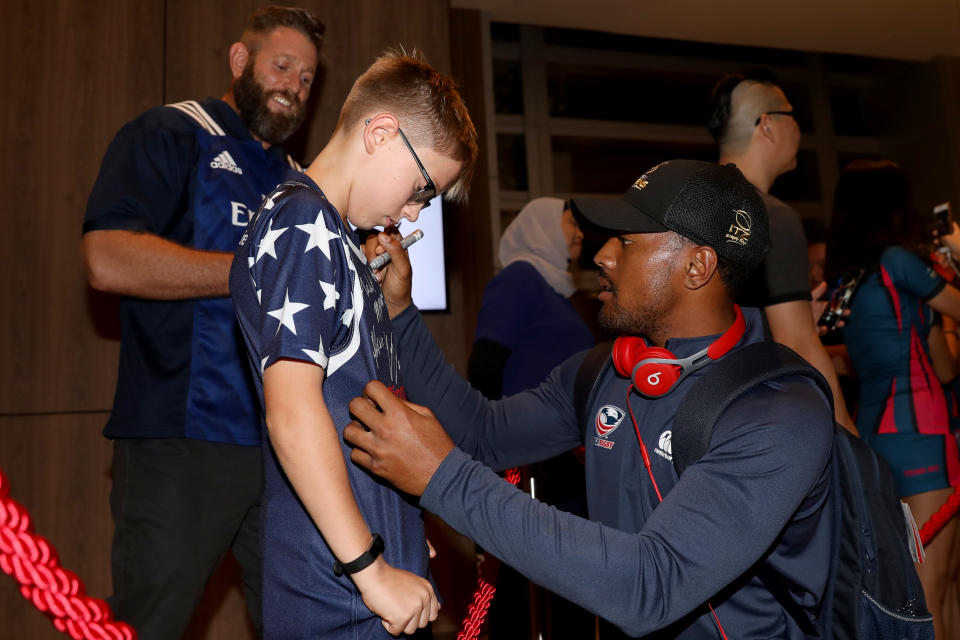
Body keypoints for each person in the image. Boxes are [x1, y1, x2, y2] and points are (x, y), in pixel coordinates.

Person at [345, 160, 836, 638]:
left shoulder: (778, 411)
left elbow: (650, 585)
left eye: (625, 241)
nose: (601, 256)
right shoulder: (602, 371)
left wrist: (443, 477)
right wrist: (401, 312)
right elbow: (482, 435)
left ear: (697, 266)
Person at [81, 7, 324, 638]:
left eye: (306, 78)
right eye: (281, 66)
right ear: (240, 61)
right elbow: (105, 258)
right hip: (180, 443)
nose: (294, 87)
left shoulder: (302, 184)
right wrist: (250, 271)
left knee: (309, 623)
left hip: (286, 451)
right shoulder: (171, 132)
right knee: (149, 625)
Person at [229, 50, 478, 637]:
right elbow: (292, 414)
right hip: (336, 587)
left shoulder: (337, 240)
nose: (413, 213)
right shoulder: (302, 223)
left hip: (356, 569)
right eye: (420, 189)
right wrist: (370, 568)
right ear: (382, 132)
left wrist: (396, 519)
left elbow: (358, 410)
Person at [826, 158, 960, 639]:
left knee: (926, 587)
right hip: (924, 432)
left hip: (874, 437)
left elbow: (942, 363)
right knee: (932, 588)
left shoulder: (847, 278)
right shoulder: (898, 263)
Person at [466, 197, 594, 639]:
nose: (580, 232)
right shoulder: (521, 278)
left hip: (563, 461)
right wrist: (496, 447)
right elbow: (484, 365)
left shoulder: (561, 291)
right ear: (541, 224)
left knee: (564, 587)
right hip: (527, 462)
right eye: (571, 221)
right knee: (518, 587)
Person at [708, 69, 855, 431]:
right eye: (792, 116)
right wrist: (851, 447)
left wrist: (797, 317)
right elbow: (800, 345)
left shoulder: (694, 203)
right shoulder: (771, 214)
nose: (799, 130)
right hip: (755, 412)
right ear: (768, 125)